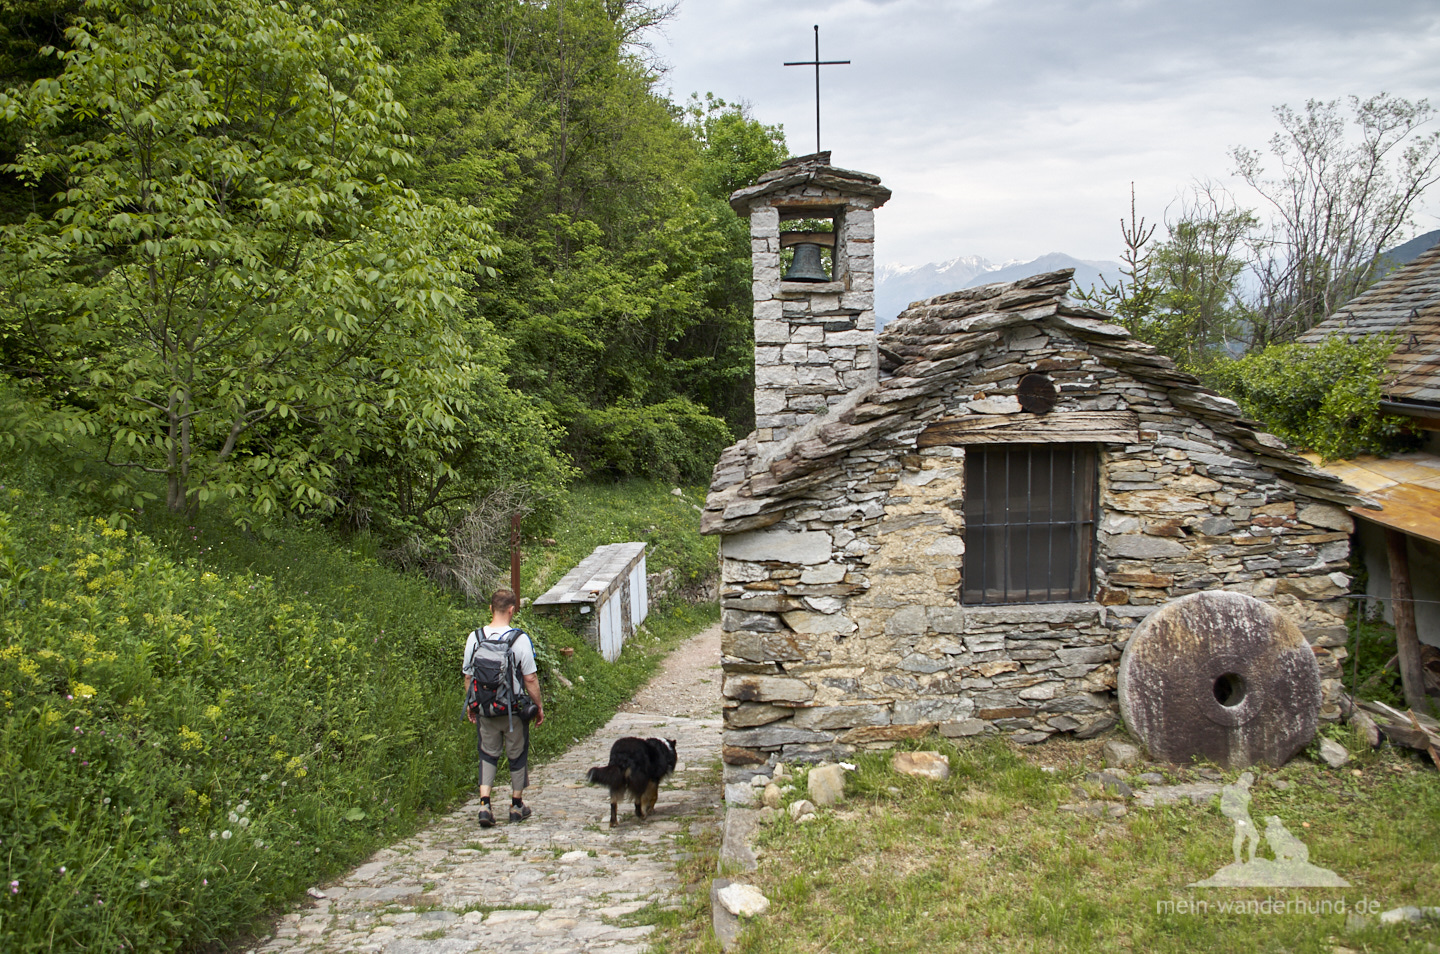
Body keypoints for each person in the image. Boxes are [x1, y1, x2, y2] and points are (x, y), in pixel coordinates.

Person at [463, 588, 544, 828]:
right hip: (513, 710)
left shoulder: (475, 638)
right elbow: (530, 679)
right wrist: (538, 706)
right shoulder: (519, 639)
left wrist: (471, 703)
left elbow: (468, 676)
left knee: (487, 753)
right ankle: (516, 805)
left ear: (490, 608)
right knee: (517, 754)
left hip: (485, 709)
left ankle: (484, 805)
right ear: (512, 610)